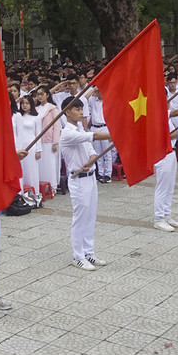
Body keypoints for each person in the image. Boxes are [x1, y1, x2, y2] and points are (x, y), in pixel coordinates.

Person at [59, 97, 111, 271]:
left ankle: (88, 252)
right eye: (77, 109)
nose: (81, 112)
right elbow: (94, 136)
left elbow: (91, 151)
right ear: (67, 112)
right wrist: (116, 135)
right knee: (80, 218)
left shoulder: (81, 128)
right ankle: (78, 256)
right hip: (78, 180)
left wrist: (90, 161)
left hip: (90, 177)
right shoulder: (67, 132)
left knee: (90, 217)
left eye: (82, 109)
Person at [34, 85, 61, 194]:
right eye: (38, 94)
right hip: (39, 140)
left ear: (47, 95)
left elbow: (57, 126)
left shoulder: (52, 108)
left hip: (50, 140)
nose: (40, 96)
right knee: (41, 164)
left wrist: (55, 142)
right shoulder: (36, 109)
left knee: (50, 164)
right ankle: (42, 186)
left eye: (42, 94)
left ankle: (52, 186)